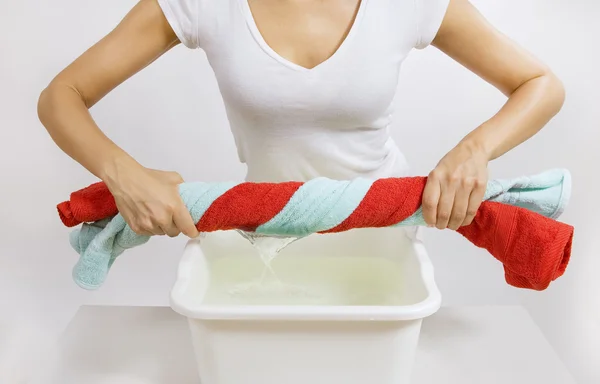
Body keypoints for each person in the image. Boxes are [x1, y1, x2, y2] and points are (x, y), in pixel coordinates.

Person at [38, 0, 565, 239]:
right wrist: (122, 171)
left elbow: (541, 84)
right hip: (268, 228)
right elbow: (62, 94)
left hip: (381, 228)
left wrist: (474, 149)